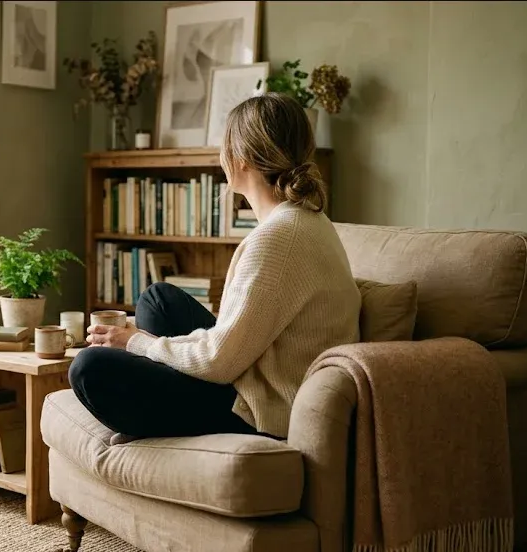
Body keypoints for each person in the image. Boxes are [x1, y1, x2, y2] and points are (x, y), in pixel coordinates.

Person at [69, 92, 361, 443]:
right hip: (253, 373)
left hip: (261, 408)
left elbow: (220, 361)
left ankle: (149, 415)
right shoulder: (307, 220)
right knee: (158, 299)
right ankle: (155, 389)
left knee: (88, 368)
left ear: (241, 160)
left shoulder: (277, 240)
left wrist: (139, 344)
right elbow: (232, 340)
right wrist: (153, 343)